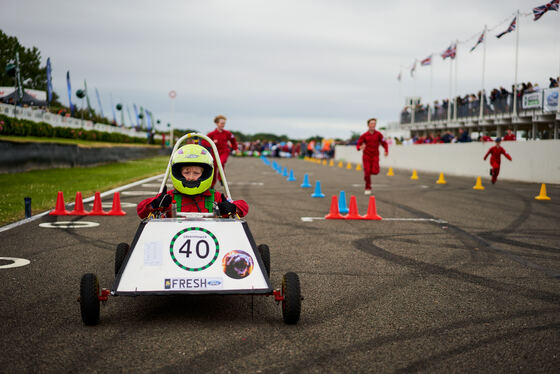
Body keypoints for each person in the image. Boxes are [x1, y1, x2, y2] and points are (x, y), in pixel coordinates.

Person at [137, 144, 248, 219]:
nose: (190, 177)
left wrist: (232, 208)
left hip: (212, 246)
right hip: (172, 245)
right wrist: (154, 203)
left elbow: (244, 207)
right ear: (178, 173)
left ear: (204, 174)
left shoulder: (216, 198)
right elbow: (141, 211)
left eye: (196, 173)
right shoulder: (168, 198)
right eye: (186, 172)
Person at [203, 115, 238, 187]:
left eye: (224, 123)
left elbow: (233, 140)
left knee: (221, 163)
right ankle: (212, 184)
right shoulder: (211, 134)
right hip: (215, 153)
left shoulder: (227, 133)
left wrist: (235, 148)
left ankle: (221, 178)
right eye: (221, 123)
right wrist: (212, 142)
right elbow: (204, 141)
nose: (223, 125)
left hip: (224, 151)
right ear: (217, 123)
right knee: (214, 167)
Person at [356, 118, 388, 195]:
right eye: (371, 123)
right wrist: (360, 148)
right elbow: (358, 145)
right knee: (367, 172)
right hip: (366, 156)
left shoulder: (379, 134)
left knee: (375, 171)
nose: (373, 125)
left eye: (374, 123)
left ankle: (367, 176)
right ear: (368, 125)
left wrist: (386, 150)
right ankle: (368, 187)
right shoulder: (364, 135)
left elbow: (384, 143)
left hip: (375, 156)